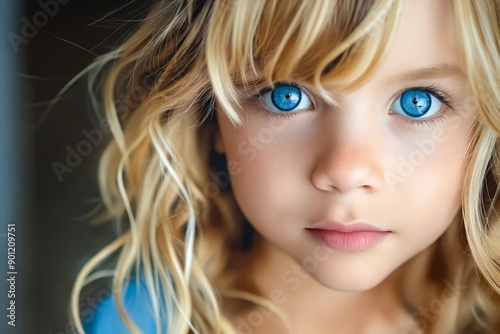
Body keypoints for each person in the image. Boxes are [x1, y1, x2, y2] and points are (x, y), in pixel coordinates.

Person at [70, 0, 500, 332]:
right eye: (285, 96)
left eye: (416, 103)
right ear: (211, 110)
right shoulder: (134, 324)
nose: (347, 172)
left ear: (484, 119)